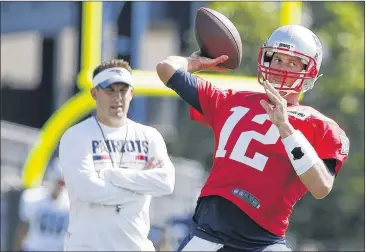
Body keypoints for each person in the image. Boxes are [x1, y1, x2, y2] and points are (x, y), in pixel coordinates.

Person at [156, 24, 350, 251]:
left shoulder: (319, 125)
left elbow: (321, 187)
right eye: (277, 59)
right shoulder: (230, 100)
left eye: (292, 62)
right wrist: (195, 63)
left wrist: (285, 128)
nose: (282, 68)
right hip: (208, 236)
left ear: (309, 71)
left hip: (264, 242)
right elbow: (166, 68)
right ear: (265, 60)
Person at [59, 59, 175, 251]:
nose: (117, 97)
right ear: (94, 93)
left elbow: (166, 183)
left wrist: (112, 175)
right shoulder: (76, 136)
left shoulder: (149, 136)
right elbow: (88, 190)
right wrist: (141, 188)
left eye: (123, 90)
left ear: (132, 93)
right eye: (109, 90)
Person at [14, 160, 69, 251]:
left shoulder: (69, 203)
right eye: (60, 182)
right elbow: (23, 228)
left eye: (64, 183)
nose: (61, 187)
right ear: (52, 178)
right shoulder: (33, 197)